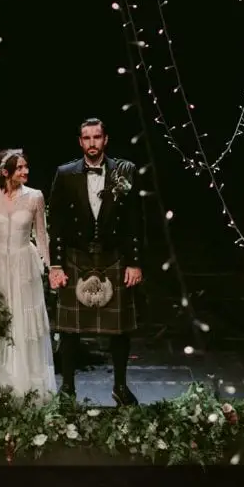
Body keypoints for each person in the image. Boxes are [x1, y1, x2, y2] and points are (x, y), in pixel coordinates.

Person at [47, 118, 144, 406]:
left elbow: (134, 220)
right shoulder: (65, 174)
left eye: (97, 137)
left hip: (114, 256)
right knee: (69, 329)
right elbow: (58, 223)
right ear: (80, 141)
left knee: (120, 329)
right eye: (86, 138)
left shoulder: (124, 171)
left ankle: (120, 386)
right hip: (76, 256)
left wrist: (135, 262)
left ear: (105, 140)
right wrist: (56, 265)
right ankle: (68, 388)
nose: (92, 143)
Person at [0, 149, 58, 400]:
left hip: (23, 266)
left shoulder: (35, 197)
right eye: (20, 167)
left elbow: (42, 235)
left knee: (22, 320)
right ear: (5, 171)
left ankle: (25, 382)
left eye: (26, 166)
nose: (26, 171)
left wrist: (51, 267)